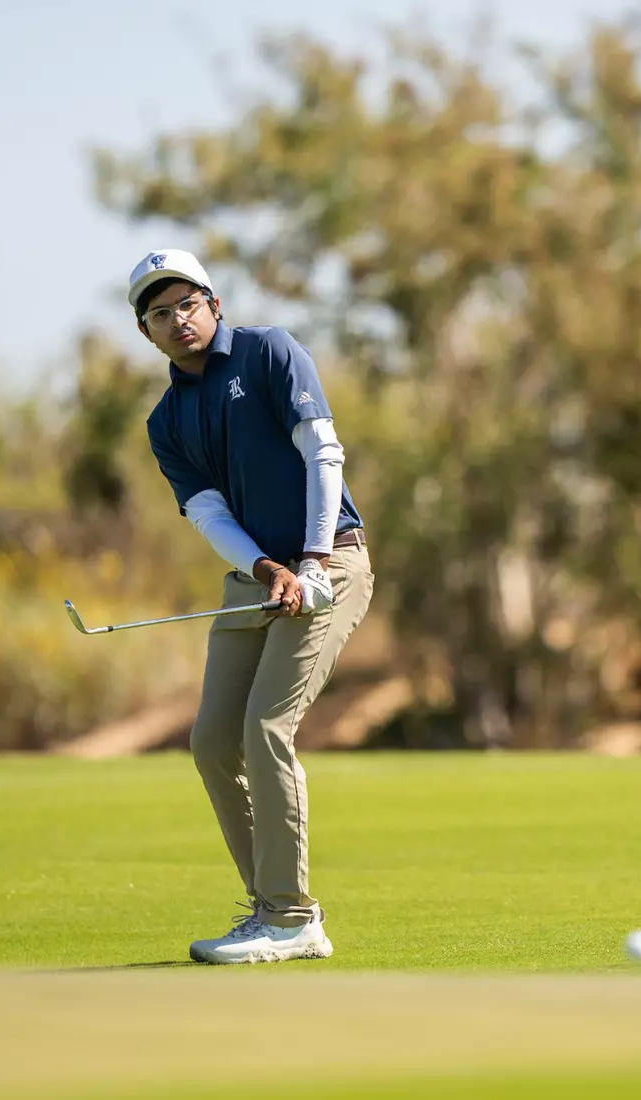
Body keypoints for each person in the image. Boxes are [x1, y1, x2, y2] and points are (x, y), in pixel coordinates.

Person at [129, 248, 373, 964]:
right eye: (159, 313)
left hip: (331, 559)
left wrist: (311, 560)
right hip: (258, 577)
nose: (178, 320)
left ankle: (293, 917)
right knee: (212, 741)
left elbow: (323, 454)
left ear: (214, 303)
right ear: (146, 332)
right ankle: (270, 909)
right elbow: (208, 514)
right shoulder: (167, 419)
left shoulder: (270, 353)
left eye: (188, 304)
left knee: (268, 725)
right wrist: (266, 567)